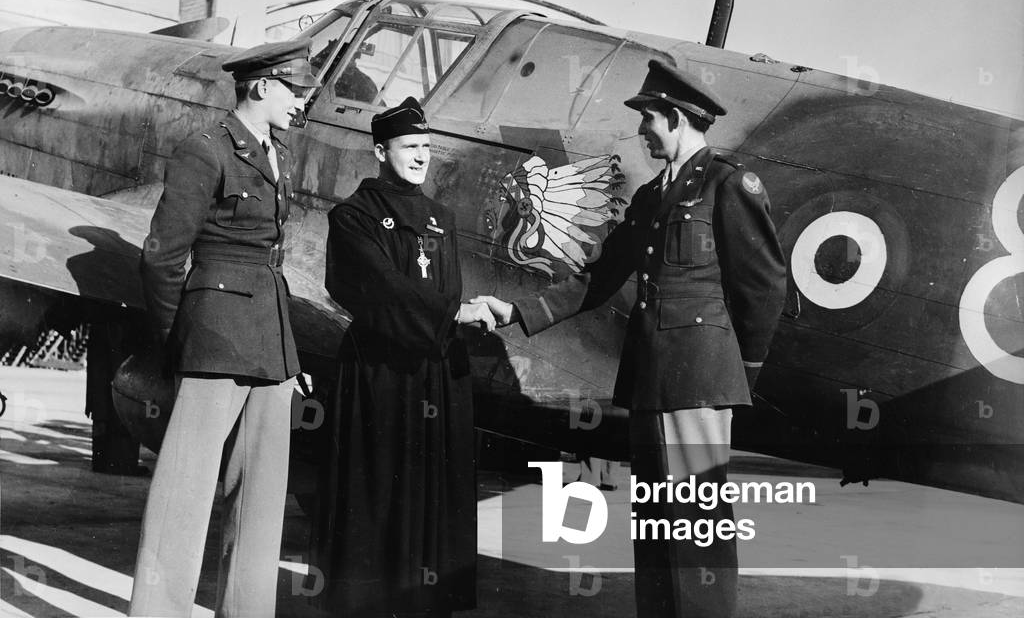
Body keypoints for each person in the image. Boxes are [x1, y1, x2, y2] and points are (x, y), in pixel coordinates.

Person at [473, 58, 788, 618]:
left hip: (698, 385)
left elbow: (763, 288)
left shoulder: (728, 184)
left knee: (696, 533)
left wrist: (742, 375)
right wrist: (517, 311)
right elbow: (599, 277)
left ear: (674, 116)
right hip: (649, 382)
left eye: (647, 118)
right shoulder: (650, 199)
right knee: (657, 531)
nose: (641, 130)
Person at [129, 39, 318, 618]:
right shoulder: (206, 150)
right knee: (183, 494)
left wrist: (289, 351)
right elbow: (162, 256)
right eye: (296, 90)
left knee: (261, 500)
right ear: (262, 86)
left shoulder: (275, 152)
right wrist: (178, 338)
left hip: (269, 343)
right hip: (214, 340)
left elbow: (272, 260)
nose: (303, 102)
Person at [314, 96, 493, 618]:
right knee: (377, 491)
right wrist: (451, 315)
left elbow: (448, 286)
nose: (421, 156)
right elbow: (378, 288)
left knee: (428, 494)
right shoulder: (353, 216)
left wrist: (446, 315)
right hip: (380, 375)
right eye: (410, 146)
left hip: (433, 376)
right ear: (380, 150)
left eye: (427, 148)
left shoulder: (441, 217)